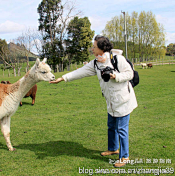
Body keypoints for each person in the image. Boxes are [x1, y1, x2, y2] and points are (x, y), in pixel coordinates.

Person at [50, 35, 138, 168]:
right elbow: (80, 72)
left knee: (121, 129)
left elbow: (130, 73)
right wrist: (63, 78)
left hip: (124, 100)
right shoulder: (96, 63)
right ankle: (113, 148)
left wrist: (116, 76)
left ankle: (124, 156)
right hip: (111, 102)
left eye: (94, 47)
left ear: (102, 48)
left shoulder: (117, 59)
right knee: (111, 126)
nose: (92, 49)